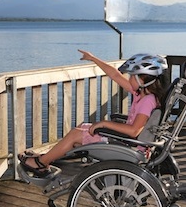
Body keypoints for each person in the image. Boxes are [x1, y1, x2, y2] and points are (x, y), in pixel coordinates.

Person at [19, 49, 168, 178]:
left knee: (76, 134)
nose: (128, 78)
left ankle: (41, 163)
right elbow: (115, 75)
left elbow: (135, 130)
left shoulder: (147, 101)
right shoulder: (140, 94)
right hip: (126, 142)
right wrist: (93, 58)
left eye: (132, 76)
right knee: (81, 129)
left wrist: (104, 123)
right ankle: (44, 159)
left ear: (143, 79)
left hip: (129, 146)